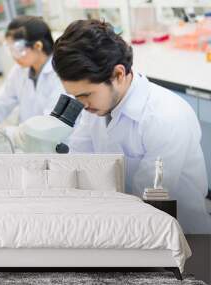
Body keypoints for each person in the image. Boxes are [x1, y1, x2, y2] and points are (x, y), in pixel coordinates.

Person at [52, 19, 211, 234]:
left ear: (118, 75)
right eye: (75, 96)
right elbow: (79, 159)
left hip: (179, 232)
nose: (81, 104)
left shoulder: (165, 117)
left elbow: (151, 199)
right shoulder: (96, 107)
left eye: (85, 95)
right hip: (123, 223)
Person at [0, 16, 64, 126]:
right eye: (11, 50)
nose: (14, 57)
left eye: (18, 50)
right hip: (27, 137)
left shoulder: (60, 74)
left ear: (38, 46)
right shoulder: (19, 71)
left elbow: (50, 125)